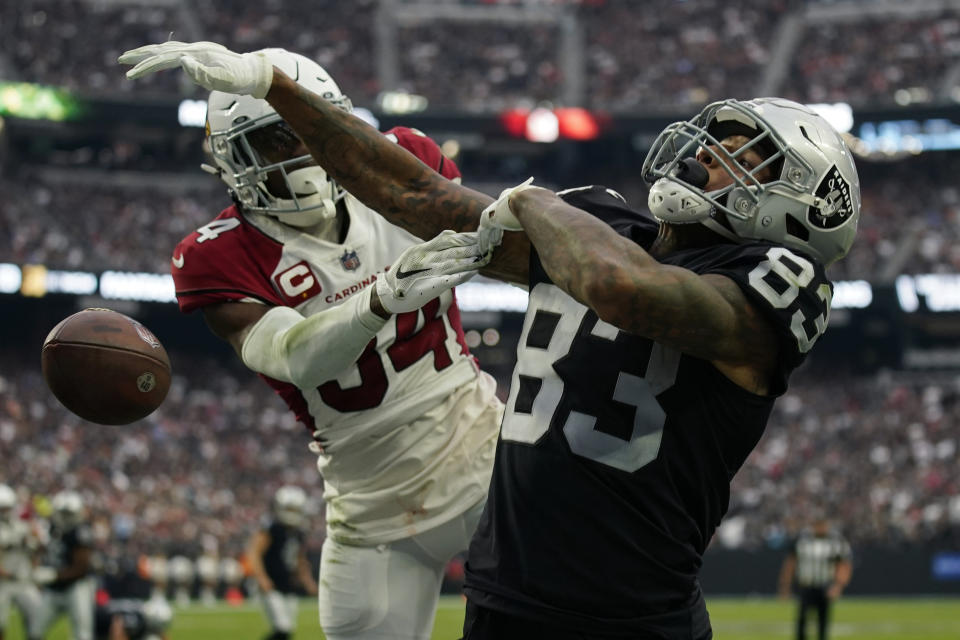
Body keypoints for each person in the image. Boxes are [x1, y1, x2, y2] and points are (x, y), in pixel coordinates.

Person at [120, 42, 861, 639]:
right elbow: (418, 197)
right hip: (506, 596)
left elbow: (624, 290)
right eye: (715, 139)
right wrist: (276, 86)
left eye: (740, 154)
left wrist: (537, 204)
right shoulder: (602, 224)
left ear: (800, 205)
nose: (704, 156)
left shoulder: (781, 280)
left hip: (632, 611)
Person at [119, 46, 503, 640]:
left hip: (489, 463)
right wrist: (380, 298)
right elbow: (294, 355)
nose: (297, 150)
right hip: (371, 512)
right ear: (229, 159)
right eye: (273, 141)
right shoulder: (217, 253)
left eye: (306, 128)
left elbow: (491, 240)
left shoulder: (403, 160)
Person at [246, 486, 318, 640]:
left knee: (287, 630)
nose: (292, 513)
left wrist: (308, 581)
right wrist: (262, 578)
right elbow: (254, 553)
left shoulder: (299, 532)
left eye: (295, 509)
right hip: (272, 583)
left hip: (288, 585)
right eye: (289, 509)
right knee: (282, 629)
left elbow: (300, 559)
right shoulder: (272, 528)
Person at [30, 490, 96, 640]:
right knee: (36, 629)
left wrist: (54, 575)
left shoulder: (80, 532)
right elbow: (44, 551)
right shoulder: (52, 528)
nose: (66, 517)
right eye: (63, 513)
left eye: (69, 513)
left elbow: (82, 567)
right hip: (53, 589)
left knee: (82, 633)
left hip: (76, 587)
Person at [778, 516, 853, 640]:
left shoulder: (836, 541)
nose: (820, 527)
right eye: (817, 524)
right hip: (806, 586)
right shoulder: (802, 540)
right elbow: (790, 563)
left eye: (822, 524)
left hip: (825, 586)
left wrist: (838, 586)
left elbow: (844, 565)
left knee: (823, 622)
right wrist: (785, 585)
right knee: (802, 620)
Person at [0, 484, 42, 640]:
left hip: (23, 580)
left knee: (37, 616)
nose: (4, 512)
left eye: (6, 508)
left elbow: (36, 548)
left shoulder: (21, 525)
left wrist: (34, 534)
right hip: (3, 582)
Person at [94, 596, 172, 640]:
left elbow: (161, 633)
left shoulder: (142, 611)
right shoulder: (136, 620)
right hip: (98, 619)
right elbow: (117, 630)